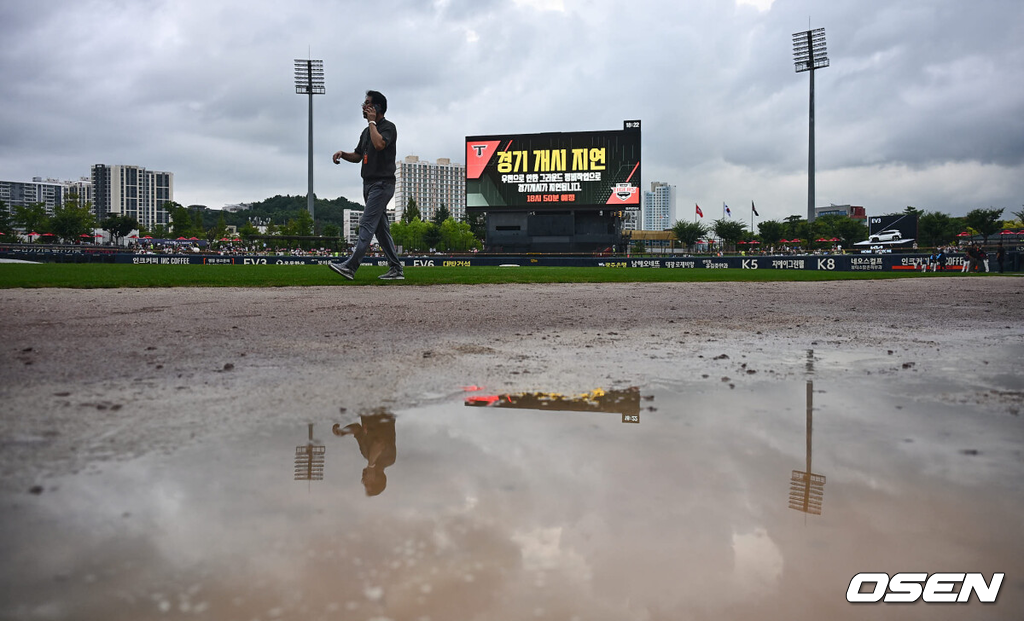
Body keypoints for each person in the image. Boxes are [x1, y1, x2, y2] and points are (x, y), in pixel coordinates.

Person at [328, 90, 404, 281]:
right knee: (381, 230)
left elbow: (379, 145)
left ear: (377, 107)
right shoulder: (365, 132)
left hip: (382, 184)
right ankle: (396, 269)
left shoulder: (388, 127)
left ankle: (350, 267)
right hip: (368, 184)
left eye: (368, 103)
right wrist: (343, 154)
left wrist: (372, 122)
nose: (363, 106)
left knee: (366, 224)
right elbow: (359, 156)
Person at [333, 410, 397, 496]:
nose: (363, 480)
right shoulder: (389, 459)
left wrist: (343, 432)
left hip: (366, 408)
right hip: (382, 407)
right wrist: (371, 466)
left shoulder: (366, 454)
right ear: (375, 479)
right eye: (366, 483)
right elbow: (378, 443)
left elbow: (357, 429)